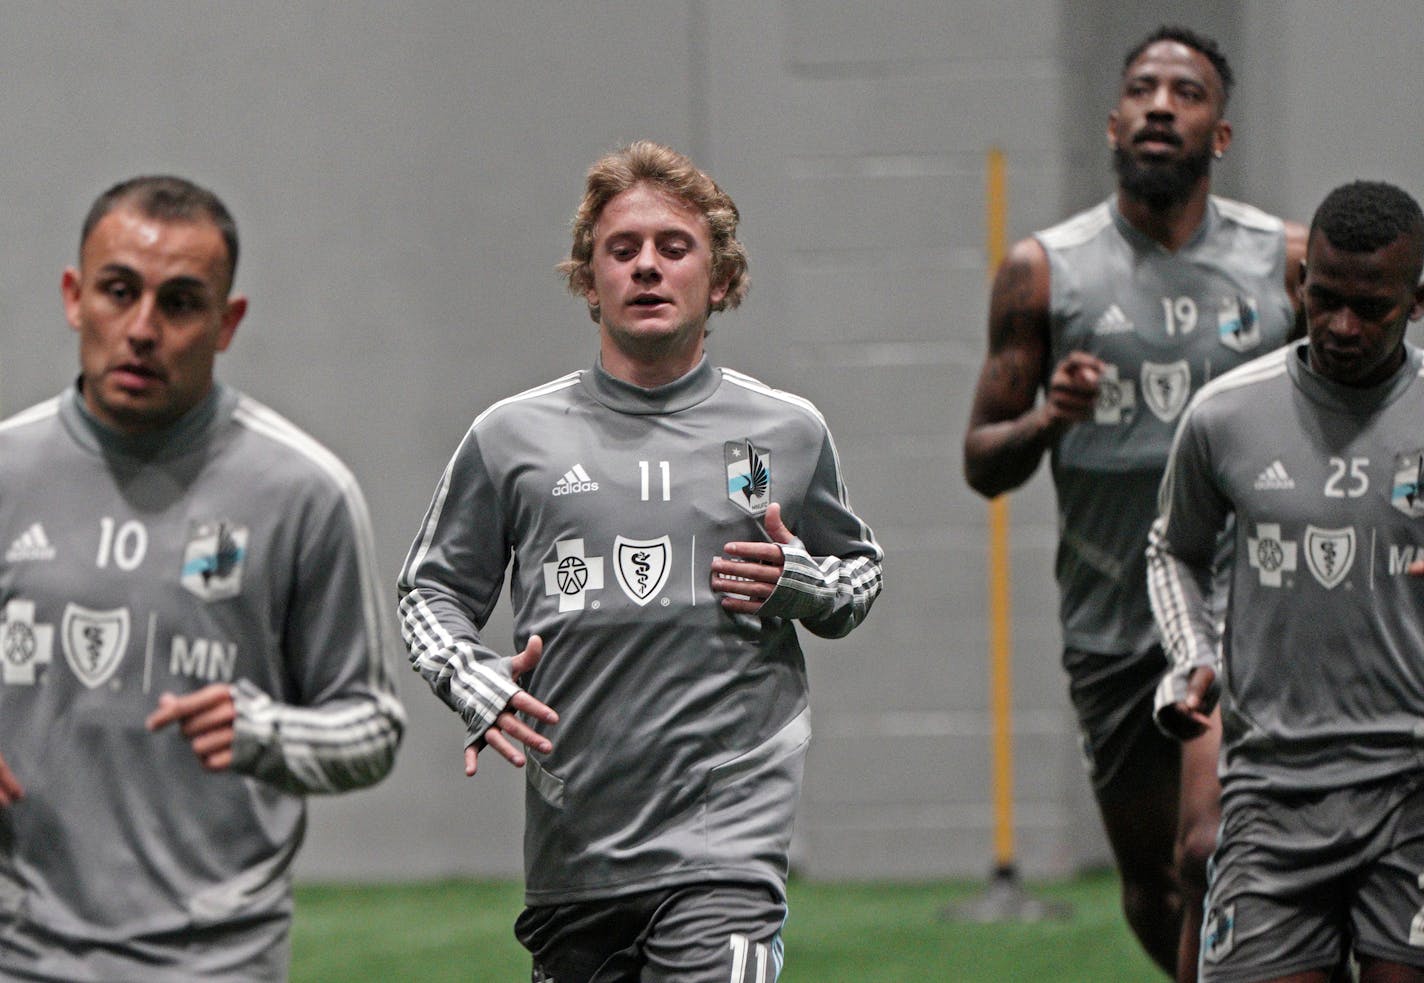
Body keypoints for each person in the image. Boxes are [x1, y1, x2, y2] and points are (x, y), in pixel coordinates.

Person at [398, 140, 882, 982]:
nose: (647, 267)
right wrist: (470, 677)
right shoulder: (510, 436)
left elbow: (861, 569)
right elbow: (427, 590)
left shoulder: (788, 430)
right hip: (575, 850)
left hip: (725, 847)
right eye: (622, 251)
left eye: (674, 247)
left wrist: (807, 584)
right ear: (590, 283)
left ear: (721, 279)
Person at [962, 25, 1306, 981]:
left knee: (1214, 853)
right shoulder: (1044, 270)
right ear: (1113, 122)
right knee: (1156, 882)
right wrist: (1047, 419)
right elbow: (981, 462)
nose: (1162, 104)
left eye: (1187, 92)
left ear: (1219, 134)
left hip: (1251, 603)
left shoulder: (1287, 263)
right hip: (1110, 613)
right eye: (1144, 90)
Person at [0, 176, 405, 981]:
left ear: (227, 323)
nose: (143, 329)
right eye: (119, 291)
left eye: (181, 302)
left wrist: (268, 734)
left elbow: (373, 727)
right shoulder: (6, 472)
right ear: (75, 297)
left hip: (214, 960)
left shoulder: (303, 492)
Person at [1147, 179, 1424, 982]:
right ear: (1301, 286)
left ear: (1415, 301)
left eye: (1369, 307)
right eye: (1324, 298)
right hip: (1272, 789)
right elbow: (1173, 548)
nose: (1341, 325)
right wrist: (1191, 652)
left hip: (1411, 786)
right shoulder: (1226, 414)